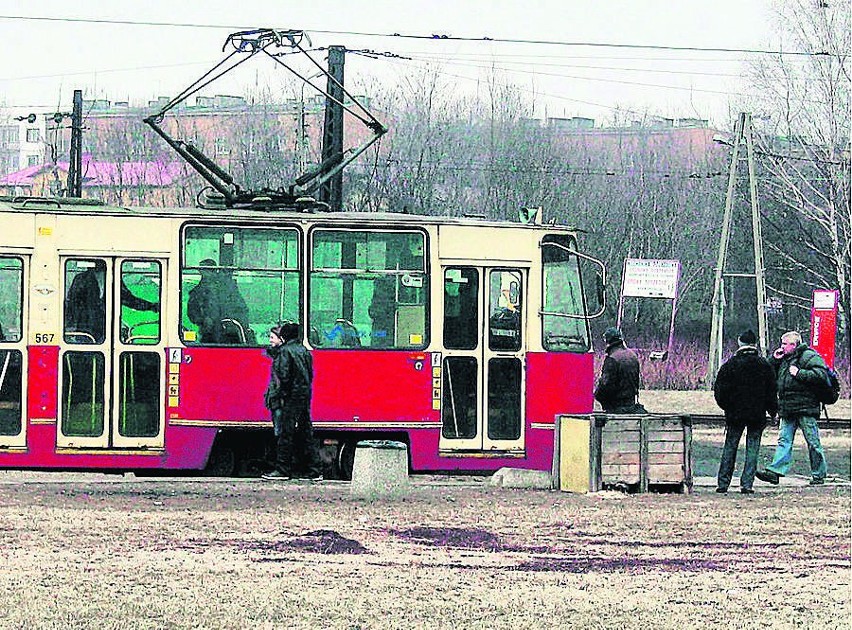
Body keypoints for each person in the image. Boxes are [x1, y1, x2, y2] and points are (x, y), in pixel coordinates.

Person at [756, 331, 830, 486]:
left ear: (794, 345)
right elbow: (768, 374)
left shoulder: (809, 356)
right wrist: (774, 360)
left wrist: (800, 373)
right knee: (784, 440)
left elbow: (821, 375)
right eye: (782, 343)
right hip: (787, 407)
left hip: (805, 407)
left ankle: (819, 474)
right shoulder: (783, 359)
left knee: (812, 442)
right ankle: (776, 471)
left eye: (785, 344)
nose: (782, 347)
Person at [713, 330, 778, 494]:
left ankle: (723, 483)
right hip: (757, 414)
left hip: (735, 414)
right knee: (753, 447)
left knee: (730, 446)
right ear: (755, 344)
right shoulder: (764, 365)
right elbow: (772, 391)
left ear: (740, 343)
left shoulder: (730, 365)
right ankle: (747, 484)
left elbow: (719, 391)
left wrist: (727, 407)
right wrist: (773, 411)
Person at [262, 322, 322, 481]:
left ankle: (283, 469)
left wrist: (278, 396)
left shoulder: (285, 352)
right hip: (304, 394)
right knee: (305, 432)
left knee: (285, 432)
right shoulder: (304, 351)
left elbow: (283, 377)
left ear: (284, 336)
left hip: (290, 397)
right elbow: (310, 374)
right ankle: (314, 469)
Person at [187, 259, 250, 344]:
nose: (205, 273)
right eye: (202, 270)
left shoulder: (228, 288)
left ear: (215, 270)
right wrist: (202, 320)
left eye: (209, 270)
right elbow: (192, 312)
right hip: (208, 334)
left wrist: (232, 322)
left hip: (230, 333)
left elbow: (241, 308)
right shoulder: (197, 292)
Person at [594, 327, 646, 414]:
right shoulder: (632, 356)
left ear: (608, 341)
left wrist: (596, 396)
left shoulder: (612, 359)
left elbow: (605, 385)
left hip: (616, 407)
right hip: (631, 404)